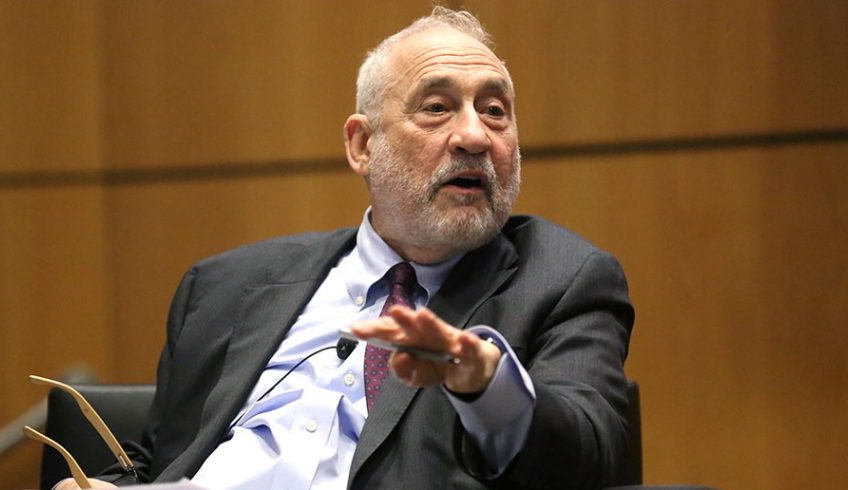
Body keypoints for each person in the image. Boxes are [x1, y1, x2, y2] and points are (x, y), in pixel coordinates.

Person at [57, 6, 634, 490]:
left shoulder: (563, 279)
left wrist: (488, 385)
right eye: (437, 108)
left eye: (495, 111)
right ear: (362, 145)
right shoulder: (224, 286)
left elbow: (592, 454)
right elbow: (164, 456)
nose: (475, 136)